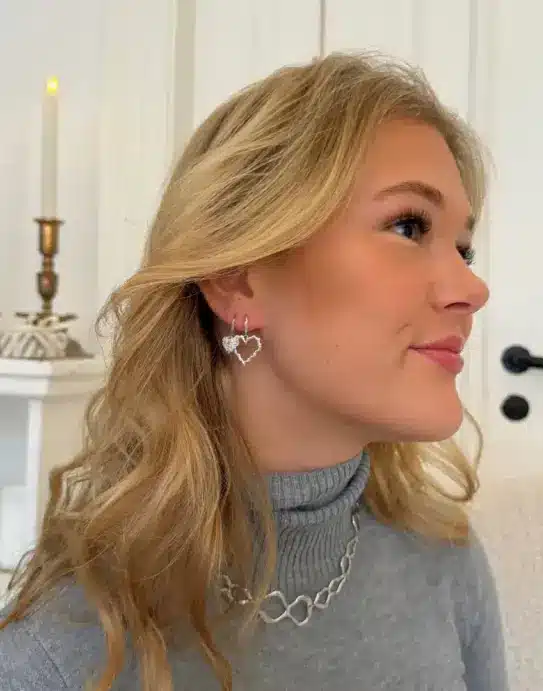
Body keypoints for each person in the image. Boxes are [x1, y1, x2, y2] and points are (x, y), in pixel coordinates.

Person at [0, 52, 508, 690]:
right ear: (237, 280)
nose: (472, 288)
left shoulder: (445, 561)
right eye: (409, 226)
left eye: (463, 248)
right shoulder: (71, 644)